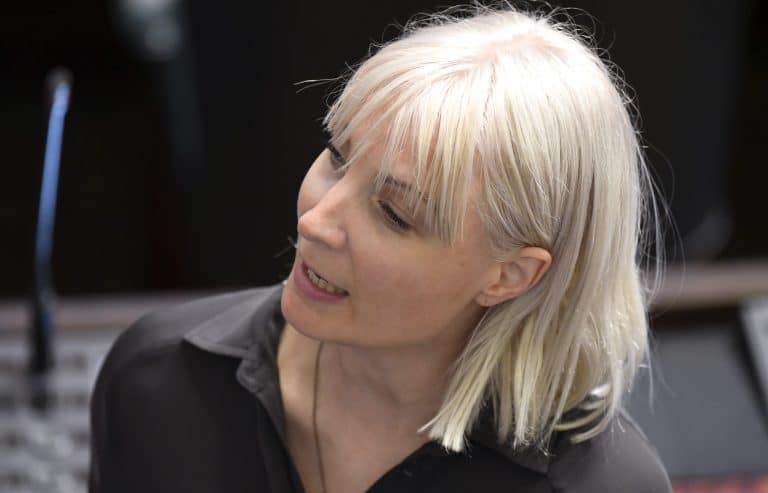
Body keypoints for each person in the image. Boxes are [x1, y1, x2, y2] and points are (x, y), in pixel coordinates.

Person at [89, 4, 672, 492]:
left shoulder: (605, 486)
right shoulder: (158, 380)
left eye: (394, 214)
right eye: (336, 157)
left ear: (512, 274)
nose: (316, 221)